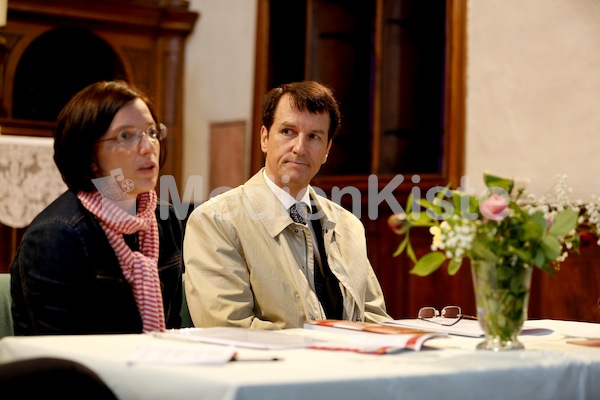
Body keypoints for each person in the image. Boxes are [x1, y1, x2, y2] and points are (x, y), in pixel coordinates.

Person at [184, 80, 390, 329]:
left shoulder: (349, 226)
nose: (299, 148)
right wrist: (326, 348)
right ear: (264, 138)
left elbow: (375, 320)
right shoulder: (216, 220)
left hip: (350, 364)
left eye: (313, 136)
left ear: (326, 150)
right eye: (287, 132)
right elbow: (228, 329)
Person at [10, 80, 184, 335]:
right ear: (89, 157)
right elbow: (56, 357)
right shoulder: (56, 236)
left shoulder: (165, 220)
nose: (148, 147)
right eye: (126, 136)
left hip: (151, 368)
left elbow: (173, 329)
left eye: (151, 132)